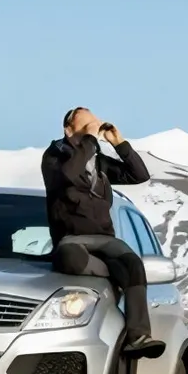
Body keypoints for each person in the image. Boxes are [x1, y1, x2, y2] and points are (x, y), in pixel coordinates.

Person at [42, 108, 160, 358]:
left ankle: (138, 336)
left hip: (105, 239)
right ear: (68, 130)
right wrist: (90, 140)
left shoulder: (100, 162)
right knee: (70, 258)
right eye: (86, 126)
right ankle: (113, 274)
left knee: (132, 264)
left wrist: (119, 144)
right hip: (72, 239)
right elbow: (70, 175)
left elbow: (139, 175)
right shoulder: (54, 158)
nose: (92, 130)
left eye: (93, 125)